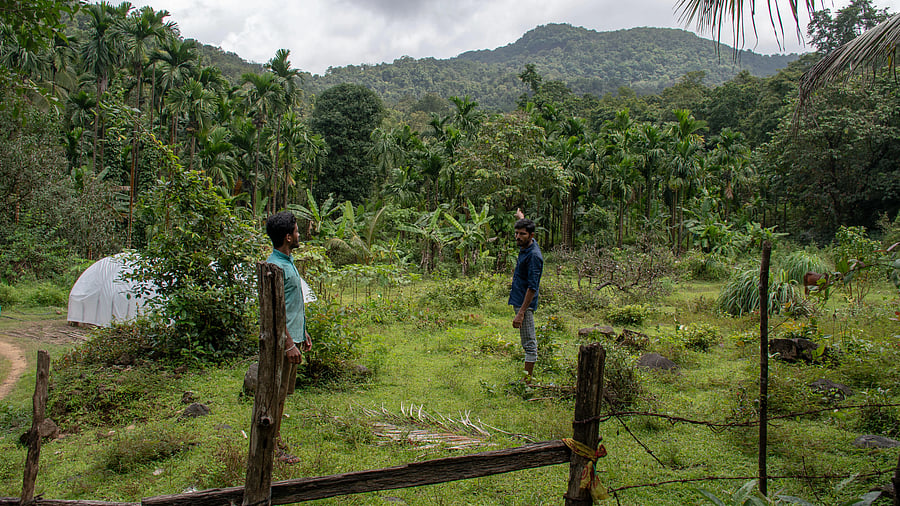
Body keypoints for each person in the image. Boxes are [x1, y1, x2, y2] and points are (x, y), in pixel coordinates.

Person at [265, 211, 312, 463]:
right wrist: (289, 343)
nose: (298, 234)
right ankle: (271, 448)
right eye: (295, 230)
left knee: (282, 396)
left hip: (293, 338)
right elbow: (274, 311)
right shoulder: (276, 268)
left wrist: (302, 331)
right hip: (284, 345)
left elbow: (292, 304)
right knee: (275, 396)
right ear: (287, 236)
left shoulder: (288, 261)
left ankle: (275, 440)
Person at [508, 210, 543, 382]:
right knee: (527, 341)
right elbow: (524, 228)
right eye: (516, 233)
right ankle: (527, 378)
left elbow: (532, 287)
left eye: (522, 234)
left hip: (525, 302)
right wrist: (521, 218)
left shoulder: (534, 256)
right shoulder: (527, 245)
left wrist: (521, 313)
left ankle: (527, 382)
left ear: (531, 235)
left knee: (529, 344)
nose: (518, 237)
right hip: (519, 298)